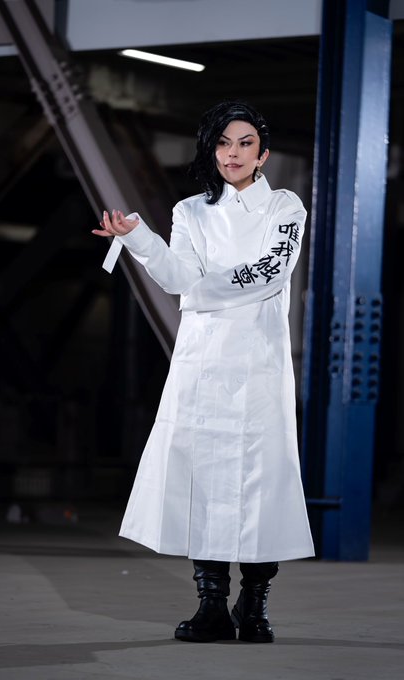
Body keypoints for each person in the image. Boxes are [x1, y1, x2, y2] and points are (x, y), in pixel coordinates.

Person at [92, 100, 314, 643]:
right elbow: (174, 276)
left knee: (264, 482)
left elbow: (270, 271)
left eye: (244, 144)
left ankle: (254, 607)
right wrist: (138, 237)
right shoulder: (190, 211)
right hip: (203, 363)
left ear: (263, 155)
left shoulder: (285, 206)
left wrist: (199, 292)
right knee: (203, 481)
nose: (232, 153)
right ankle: (212, 604)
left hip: (258, 362)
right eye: (222, 143)